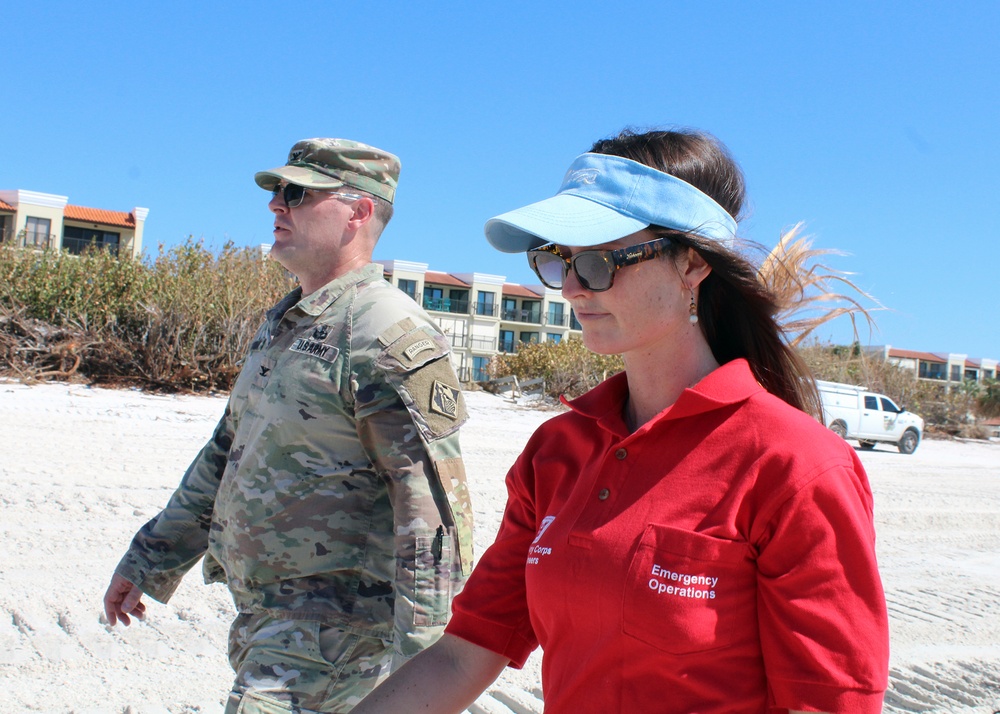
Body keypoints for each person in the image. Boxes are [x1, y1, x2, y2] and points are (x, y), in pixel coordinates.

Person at [353, 128, 890, 713]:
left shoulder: (795, 465)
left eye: (601, 260)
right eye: (558, 262)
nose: (574, 288)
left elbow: (828, 703)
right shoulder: (557, 450)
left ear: (691, 265)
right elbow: (464, 654)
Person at [103, 138, 474, 714]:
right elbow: (226, 452)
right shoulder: (288, 320)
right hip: (269, 615)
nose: (276, 205)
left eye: (297, 193)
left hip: (335, 625)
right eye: (277, 193)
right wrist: (151, 559)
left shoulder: (386, 331)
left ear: (358, 211)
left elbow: (430, 505)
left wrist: (427, 663)